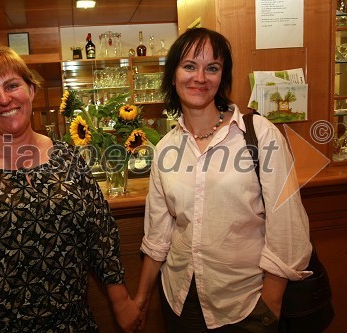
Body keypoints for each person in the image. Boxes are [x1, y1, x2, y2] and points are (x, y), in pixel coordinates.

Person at [0, 45, 140, 332]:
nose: (4, 99)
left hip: (70, 324)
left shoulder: (68, 159)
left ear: (30, 90)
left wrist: (121, 301)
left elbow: (100, 234)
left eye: (12, 85)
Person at [134, 28, 313, 332]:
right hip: (180, 301)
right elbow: (158, 235)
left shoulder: (261, 134)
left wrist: (269, 306)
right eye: (189, 66)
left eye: (212, 68)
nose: (200, 77)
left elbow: (288, 231)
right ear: (173, 74)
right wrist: (140, 299)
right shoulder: (165, 148)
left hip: (245, 304)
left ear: (222, 77)